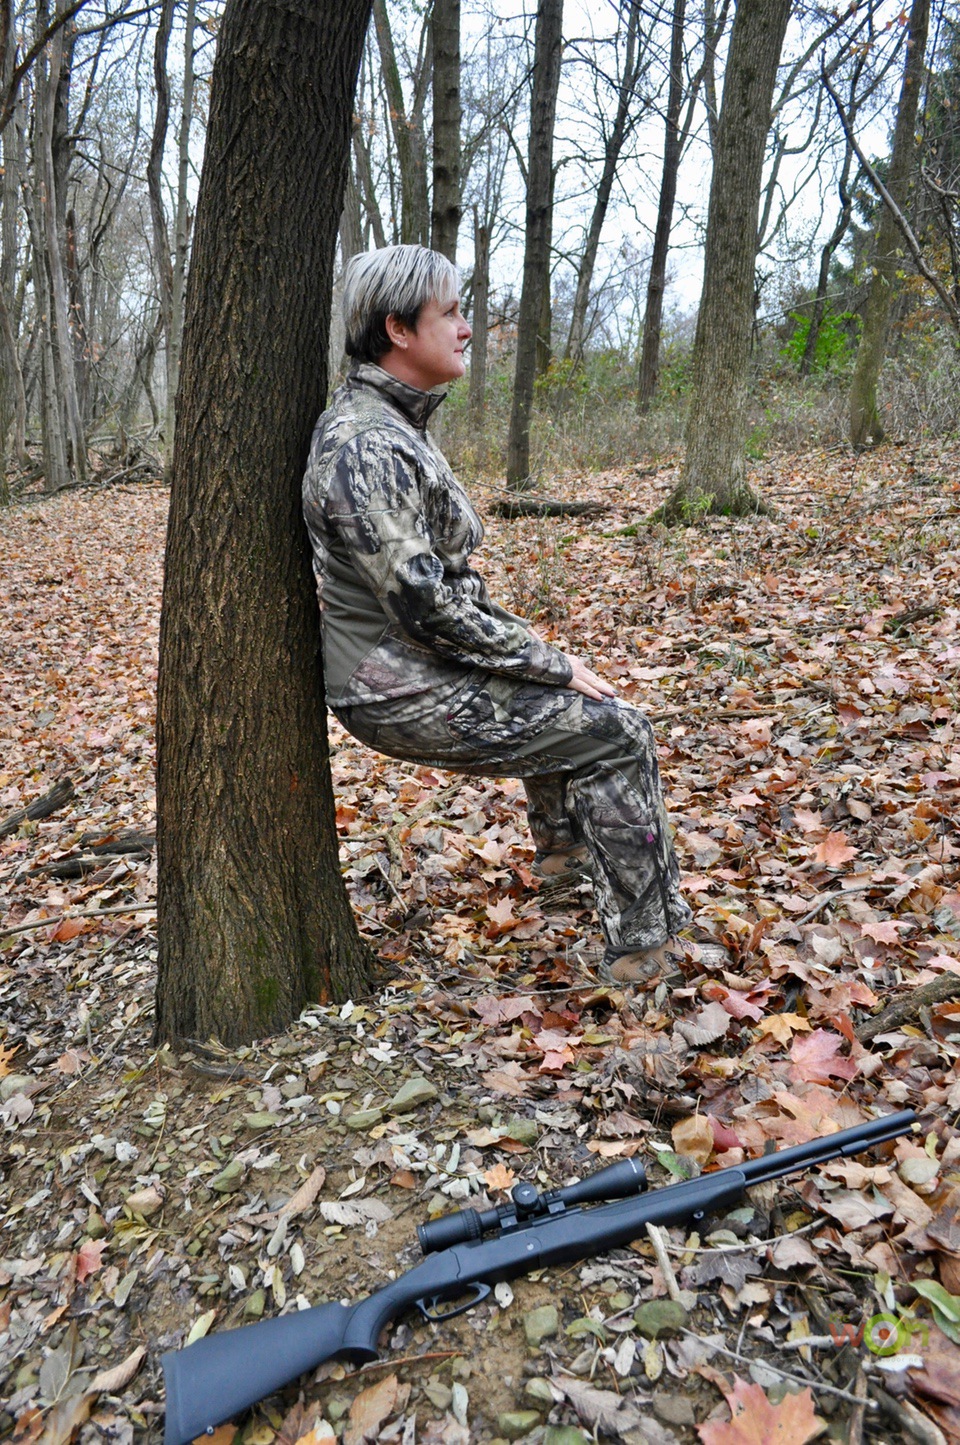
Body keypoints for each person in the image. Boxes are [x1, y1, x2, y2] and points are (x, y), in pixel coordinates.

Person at [302, 244, 692, 984]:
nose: (468, 327)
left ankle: (568, 859)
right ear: (398, 329)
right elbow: (426, 609)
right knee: (617, 730)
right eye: (450, 312)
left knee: (573, 692)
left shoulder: (393, 421)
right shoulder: (367, 444)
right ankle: (648, 949)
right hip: (390, 681)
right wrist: (547, 660)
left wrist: (542, 657)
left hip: (407, 659)